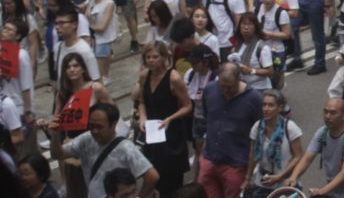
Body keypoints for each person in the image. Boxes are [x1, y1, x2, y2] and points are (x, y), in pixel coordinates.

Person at [48, 102, 159, 198]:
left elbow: (152, 176)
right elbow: (58, 154)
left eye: (99, 126)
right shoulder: (86, 139)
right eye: (91, 126)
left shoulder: (126, 148)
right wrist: (55, 136)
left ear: (113, 124)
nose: (95, 131)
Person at [198, 63, 264, 198]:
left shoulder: (254, 98)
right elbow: (206, 119)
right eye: (222, 86)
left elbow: (260, 134)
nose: (225, 90)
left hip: (236, 164)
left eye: (230, 87)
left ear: (239, 79)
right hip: (209, 159)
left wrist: (249, 175)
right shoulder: (210, 89)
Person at [137, 42, 192, 198]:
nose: (151, 60)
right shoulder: (144, 76)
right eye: (148, 57)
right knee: (154, 178)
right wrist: (142, 117)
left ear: (163, 57)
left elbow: (187, 106)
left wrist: (170, 118)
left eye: (155, 57)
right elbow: (141, 101)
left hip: (171, 135)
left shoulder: (173, 77)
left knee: (172, 183)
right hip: (152, 134)